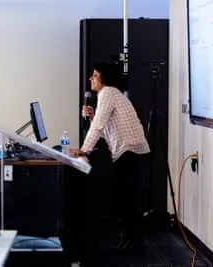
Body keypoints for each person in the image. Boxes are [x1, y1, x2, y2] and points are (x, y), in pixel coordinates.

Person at [71, 62, 150, 251]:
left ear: (103, 79)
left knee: (126, 200)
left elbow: (98, 127)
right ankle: (132, 240)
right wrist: (92, 117)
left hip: (129, 151)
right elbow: (106, 130)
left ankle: (134, 243)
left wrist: (83, 150)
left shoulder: (107, 93)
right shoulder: (113, 94)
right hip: (132, 150)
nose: (91, 78)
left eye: (95, 75)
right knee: (126, 199)